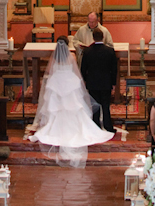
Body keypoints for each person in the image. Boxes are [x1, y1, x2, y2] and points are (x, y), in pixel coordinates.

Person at [28, 36, 113, 167]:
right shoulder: (71, 56)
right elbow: (76, 70)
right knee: (73, 106)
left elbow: (50, 71)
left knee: (57, 108)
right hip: (70, 82)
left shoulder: (54, 57)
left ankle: (55, 129)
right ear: (68, 45)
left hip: (57, 81)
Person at [81, 28, 117, 133]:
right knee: (106, 104)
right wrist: (114, 83)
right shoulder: (109, 51)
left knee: (95, 105)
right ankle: (108, 126)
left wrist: (84, 80)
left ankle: (95, 125)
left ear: (93, 38)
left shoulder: (87, 51)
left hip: (92, 82)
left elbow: (83, 68)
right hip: (106, 82)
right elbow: (114, 69)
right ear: (103, 37)